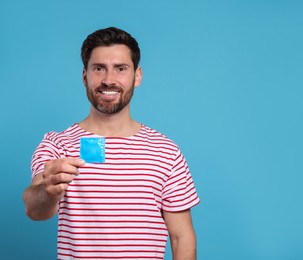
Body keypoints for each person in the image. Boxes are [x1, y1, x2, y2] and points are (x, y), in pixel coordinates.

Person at [23, 27, 200, 260]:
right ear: (84, 76)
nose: (108, 80)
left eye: (120, 68)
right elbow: (34, 209)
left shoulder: (166, 151)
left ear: (137, 76)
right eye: (98, 68)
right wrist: (49, 190)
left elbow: (182, 237)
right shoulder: (58, 144)